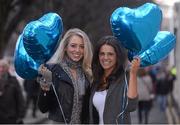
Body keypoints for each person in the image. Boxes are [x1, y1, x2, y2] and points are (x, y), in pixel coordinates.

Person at [37, 28, 93, 124]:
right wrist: (45, 88)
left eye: (82, 47)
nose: (77, 50)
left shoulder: (88, 73)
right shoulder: (52, 70)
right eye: (73, 46)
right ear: (65, 47)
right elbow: (43, 108)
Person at [89, 36, 140, 124]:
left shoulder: (125, 77)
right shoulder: (95, 79)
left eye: (110, 54)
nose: (105, 58)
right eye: (102, 54)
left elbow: (132, 106)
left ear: (117, 56)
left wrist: (133, 74)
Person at [0, 59, 26, 123]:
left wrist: (21, 115)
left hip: (10, 116)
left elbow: (20, 98)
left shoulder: (13, 81)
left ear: (7, 68)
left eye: (3, 67)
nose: (1, 69)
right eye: (0, 67)